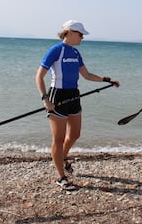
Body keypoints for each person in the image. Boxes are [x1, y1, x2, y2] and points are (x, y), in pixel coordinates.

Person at [35, 20, 120, 190]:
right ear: (71, 32)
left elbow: (86, 75)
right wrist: (45, 99)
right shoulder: (55, 50)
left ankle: (62, 157)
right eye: (81, 34)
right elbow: (39, 76)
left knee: (74, 134)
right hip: (57, 95)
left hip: (74, 95)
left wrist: (107, 79)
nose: (82, 38)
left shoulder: (75, 52)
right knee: (58, 139)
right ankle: (61, 177)